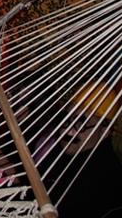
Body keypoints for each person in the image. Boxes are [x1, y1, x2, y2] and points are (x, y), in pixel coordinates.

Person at [42, 83, 122, 218]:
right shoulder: (58, 156)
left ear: (105, 131)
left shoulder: (108, 184)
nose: (68, 130)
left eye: (81, 123)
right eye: (66, 119)